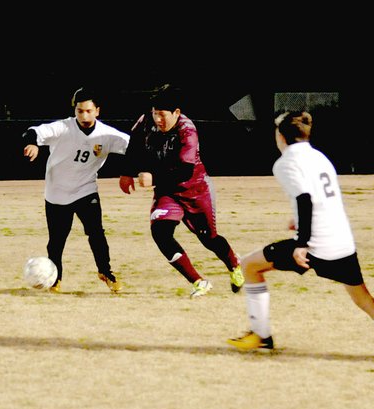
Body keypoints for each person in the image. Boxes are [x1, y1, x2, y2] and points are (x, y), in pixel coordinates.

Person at [226, 111, 374, 361]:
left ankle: (261, 335)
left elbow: (305, 199)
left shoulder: (285, 163)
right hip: (342, 242)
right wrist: (297, 222)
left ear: (281, 136)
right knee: (363, 299)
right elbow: (319, 199)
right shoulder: (319, 157)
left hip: (316, 246)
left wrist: (302, 243)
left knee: (249, 266)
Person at [119, 86, 243, 298]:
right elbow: (134, 145)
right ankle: (198, 282)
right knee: (160, 232)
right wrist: (126, 173)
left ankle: (234, 264)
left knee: (209, 238)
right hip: (168, 191)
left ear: (176, 113)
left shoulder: (187, 130)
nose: (157, 119)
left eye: (162, 115)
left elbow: (185, 171)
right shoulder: (146, 121)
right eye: (154, 113)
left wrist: (154, 178)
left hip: (195, 189)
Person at [23, 87, 130, 293]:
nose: (84, 115)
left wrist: (131, 171)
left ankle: (105, 272)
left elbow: (134, 149)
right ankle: (55, 279)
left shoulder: (107, 135)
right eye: (80, 111)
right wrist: (32, 143)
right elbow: (34, 131)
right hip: (57, 194)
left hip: (85, 190)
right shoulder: (63, 128)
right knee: (57, 240)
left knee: (96, 233)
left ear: (97, 111)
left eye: (89, 111)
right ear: (75, 111)